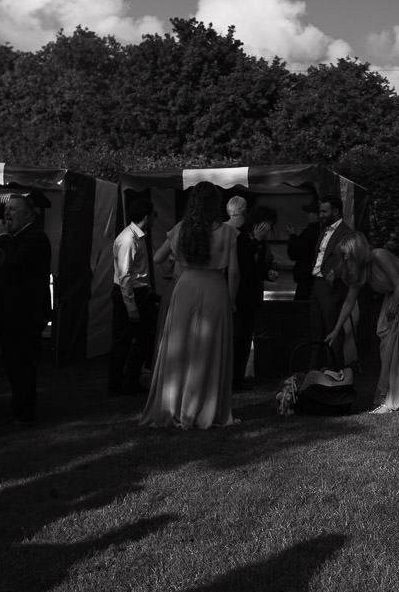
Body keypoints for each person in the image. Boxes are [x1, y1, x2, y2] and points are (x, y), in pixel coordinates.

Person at [139, 181, 238, 429]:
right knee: (209, 349)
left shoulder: (182, 229)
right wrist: (232, 298)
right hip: (215, 288)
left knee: (179, 349)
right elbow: (235, 272)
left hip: (186, 287)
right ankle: (206, 406)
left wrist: (174, 260)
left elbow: (158, 258)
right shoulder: (227, 232)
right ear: (215, 205)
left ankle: (175, 404)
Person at [330, 233, 399, 412]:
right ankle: (387, 395)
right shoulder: (360, 270)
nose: (344, 259)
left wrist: (394, 308)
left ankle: (395, 399)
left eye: (346, 255)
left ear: (356, 252)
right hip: (394, 297)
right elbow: (349, 302)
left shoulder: (379, 256)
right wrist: (336, 330)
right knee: (386, 345)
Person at [0, 192, 51, 425]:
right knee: (14, 364)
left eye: (13, 209)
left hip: (25, 314)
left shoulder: (35, 238)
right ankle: (18, 407)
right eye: (6, 209)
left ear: (28, 214)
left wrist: (1, 238)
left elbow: (13, 260)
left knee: (22, 363)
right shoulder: (21, 237)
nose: (7, 213)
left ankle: (24, 411)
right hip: (14, 313)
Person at [108, 198, 157, 396]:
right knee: (123, 341)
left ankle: (130, 381)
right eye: (153, 215)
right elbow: (125, 274)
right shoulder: (128, 239)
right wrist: (131, 306)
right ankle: (116, 386)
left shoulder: (138, 237)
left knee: (145, 339)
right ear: (147, 217)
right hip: (128, 294)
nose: (155, 219)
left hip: (138, 293)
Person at [307, 196, 356, 368]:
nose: (321, 215)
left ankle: (335, 370)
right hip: (317, 283)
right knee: (316, 330)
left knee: (332, 329)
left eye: (324, 211)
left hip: (331, 287)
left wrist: (335, 271)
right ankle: (316, 370)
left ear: (335, 211)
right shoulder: (324, 230)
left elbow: (349, 258)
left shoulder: (346, 233)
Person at [232, 204, 278, 390]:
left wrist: (269, 274)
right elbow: (241, 262)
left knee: (246, 337)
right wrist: (256, 241)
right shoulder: (241, 238)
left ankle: (240, 376)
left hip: (253, 296)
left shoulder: (261, 243)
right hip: (240, 295)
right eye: (268, 225)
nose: (269, 230)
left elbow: (258, 267)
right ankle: (233, 377)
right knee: (238, 336)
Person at [285, 202, 321, 302]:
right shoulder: (321, 231)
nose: (307, 215)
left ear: (317, 216)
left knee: (303, 305)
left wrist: (292, 236)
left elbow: (295, 252)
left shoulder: (311, 232)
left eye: (310, 213)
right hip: (313, 276)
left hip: (307, 276)